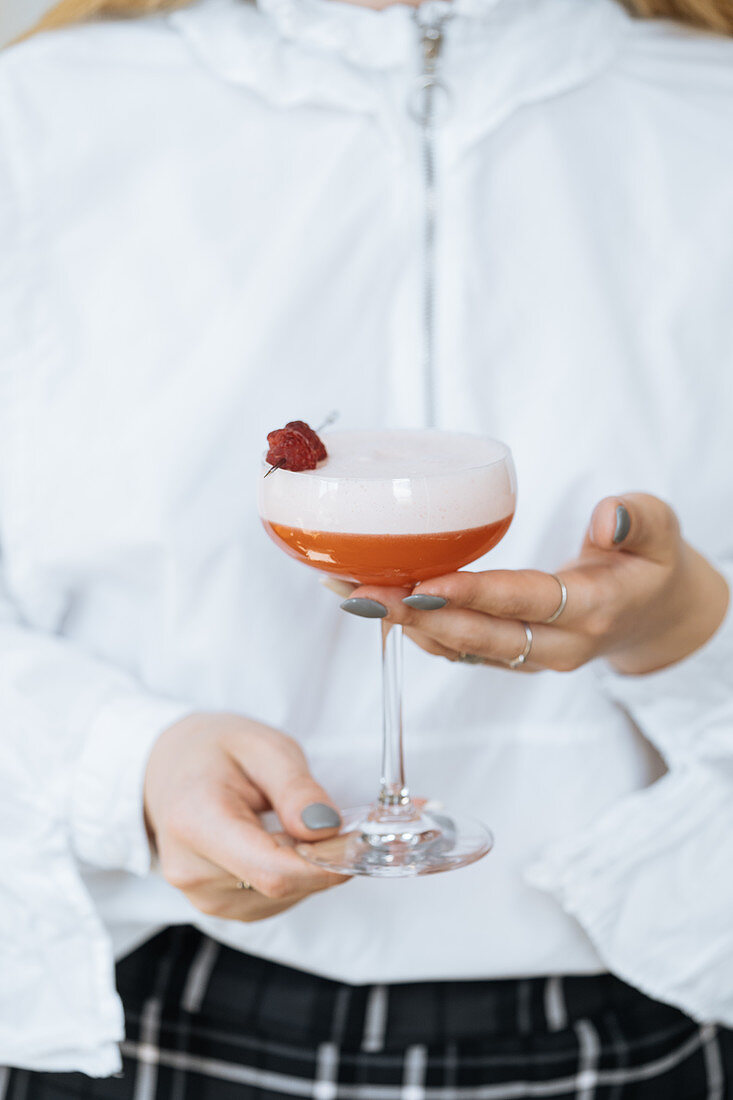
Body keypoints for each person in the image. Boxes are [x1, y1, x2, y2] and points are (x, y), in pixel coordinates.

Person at [1, 0, 732, 1095]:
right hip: (155, 1012)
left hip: (644, 1015)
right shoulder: (42, 119)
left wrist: (688, 634)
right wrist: (126, 765)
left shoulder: (702, 116)